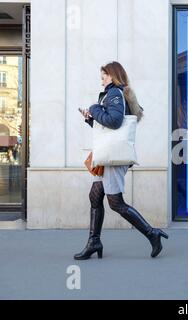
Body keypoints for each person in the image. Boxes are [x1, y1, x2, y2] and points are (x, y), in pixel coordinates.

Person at [74, 61, 168, 260]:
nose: (101, 82)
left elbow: (115, 122)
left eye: (103, 77)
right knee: (95, 195)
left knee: (115, 202)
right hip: (109, 154)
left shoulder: (115, 93)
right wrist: (91, 118)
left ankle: (153, 234)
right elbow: (108, 130)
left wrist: (94, 107)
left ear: (112, 75)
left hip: (113, 158)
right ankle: (94, 242)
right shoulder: (115, 94)